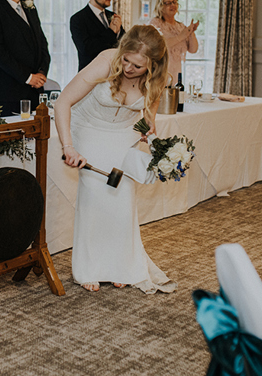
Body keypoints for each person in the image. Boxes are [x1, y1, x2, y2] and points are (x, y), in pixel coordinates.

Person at [55, 23, 178, 294]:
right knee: (96, 197)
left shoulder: (158, 78)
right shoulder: (104, 62)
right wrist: (68, 146)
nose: (129, 69)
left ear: (153, 66)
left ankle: (120, 266)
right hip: (89, 131)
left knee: (121, 201)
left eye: (138, 66)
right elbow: (62, 102)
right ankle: (90, 268)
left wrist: (154, 142)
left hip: (123, 136)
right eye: (126, 60)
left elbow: (147, 120)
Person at [70, 0, 125, 71]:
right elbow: (87, 49)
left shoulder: (112, 16)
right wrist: (111, 32)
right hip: (90, 75)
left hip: (114, 73)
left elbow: (124, 43)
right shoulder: (78, 19)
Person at [148, 0, 199, 84]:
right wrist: (181, 36)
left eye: (174, 2)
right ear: (161, 7)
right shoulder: (155, 23)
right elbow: (159, 46)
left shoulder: (180, 26)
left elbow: (193, 49)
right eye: (168, 3)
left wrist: (191, 33)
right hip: (160, 71)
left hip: (176, 72)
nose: (172, 5)